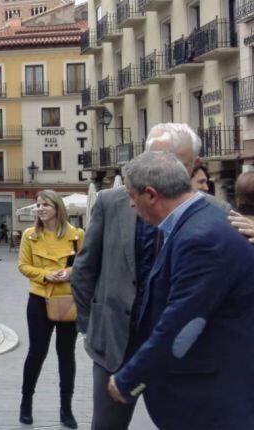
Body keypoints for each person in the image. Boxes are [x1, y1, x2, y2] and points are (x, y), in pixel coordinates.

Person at [71, 123, 242, 429]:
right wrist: (90, 327)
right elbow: (84, 269)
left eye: (169, 162)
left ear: (190, 166)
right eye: (151, 158)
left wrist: (129, 379)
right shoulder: (112, 203)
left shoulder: (215, 218)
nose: (155, 168)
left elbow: (187, 314)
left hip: (181, 356)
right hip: (115, 346)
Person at [107, 151, 254, 429]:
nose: (130, 203)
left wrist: (130, 379)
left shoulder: (200, 237)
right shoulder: (202, 220)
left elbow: (183, 321)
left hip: (210, 403)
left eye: (131, 195)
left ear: (150, 195)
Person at [17, 190, 83, 429]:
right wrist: (46, 275)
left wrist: (69, 273)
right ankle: (26, 403)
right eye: (38, 205)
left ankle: (66, 409)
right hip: (39, 300)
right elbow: (23, 266)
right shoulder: (30, 235)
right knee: (36, 353)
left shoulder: (76, 235)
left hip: (67, 300)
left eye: (46, 204)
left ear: (57, 207)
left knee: (66, 355)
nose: (41, 208)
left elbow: (85, 264)